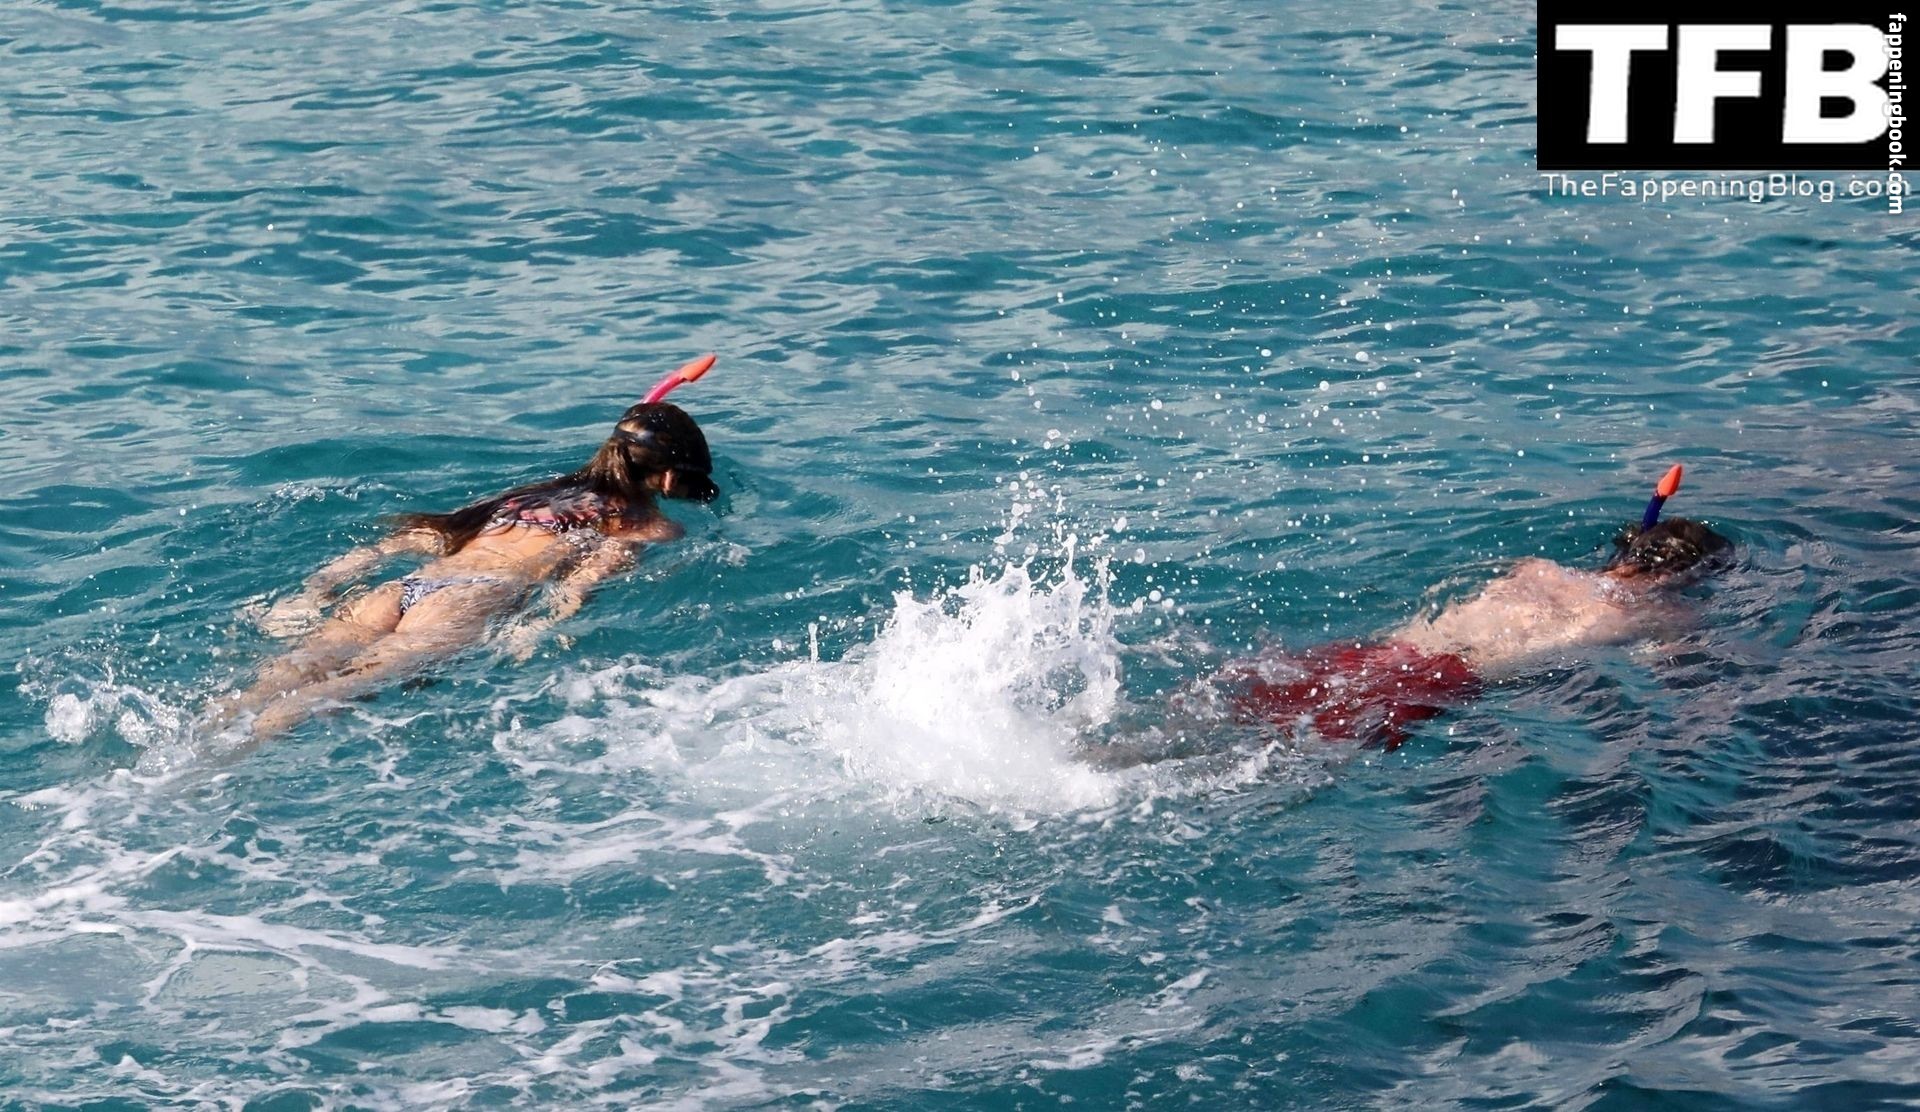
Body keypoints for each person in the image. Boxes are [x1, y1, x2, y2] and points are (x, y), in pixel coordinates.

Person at [207, 354, 723, 743]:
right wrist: (536, 631)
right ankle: (203, 779)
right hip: (468, 600)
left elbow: (406, 540)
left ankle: (193, 745)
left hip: (404, 587)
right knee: (323, 696)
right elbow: (581, 584)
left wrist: (314, 590)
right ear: (669, 478)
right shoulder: (642, 526)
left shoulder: (528, 497)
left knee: (277, 682)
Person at [1227, 466, 1732, 748]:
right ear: (1681, 575)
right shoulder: (1654, 615)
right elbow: (1680, 686)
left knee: (1244, 711)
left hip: (1381, 651)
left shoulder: (1538, 569)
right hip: (1440, 681)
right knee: (1282, 756)